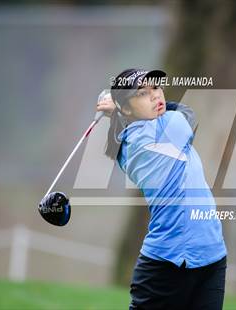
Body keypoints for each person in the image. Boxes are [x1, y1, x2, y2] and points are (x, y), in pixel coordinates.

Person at [97, 68, 227, 310]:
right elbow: (188, 113)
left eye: (156, 88)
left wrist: (117, 112)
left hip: (211, 254)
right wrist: (116, 110)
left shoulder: (126, 141)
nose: (156, 96)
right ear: (126, 108)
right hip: (168, 264)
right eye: (143, 93)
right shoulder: (159, 130)